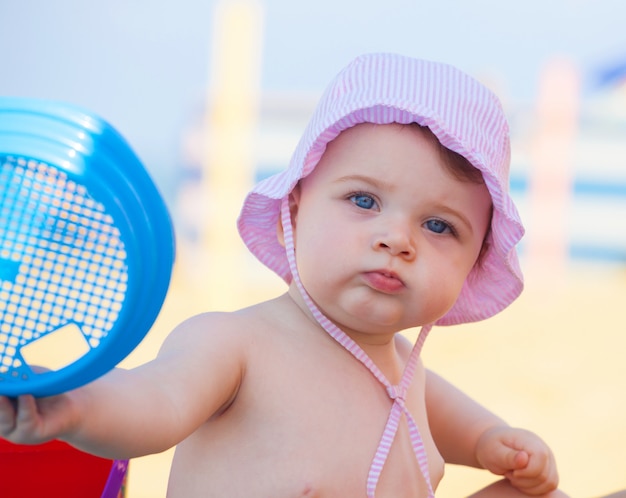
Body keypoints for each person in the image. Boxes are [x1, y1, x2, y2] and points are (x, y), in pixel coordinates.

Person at [0, 53, 569, 497]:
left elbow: (447, 415)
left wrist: (490, 440)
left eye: (440, 227)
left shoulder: (404, 370)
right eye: (364, 201)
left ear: (474, 262)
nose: (398, 239)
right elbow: (154, 402)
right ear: (294, 212)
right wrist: (75, 405)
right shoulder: (236, 344)